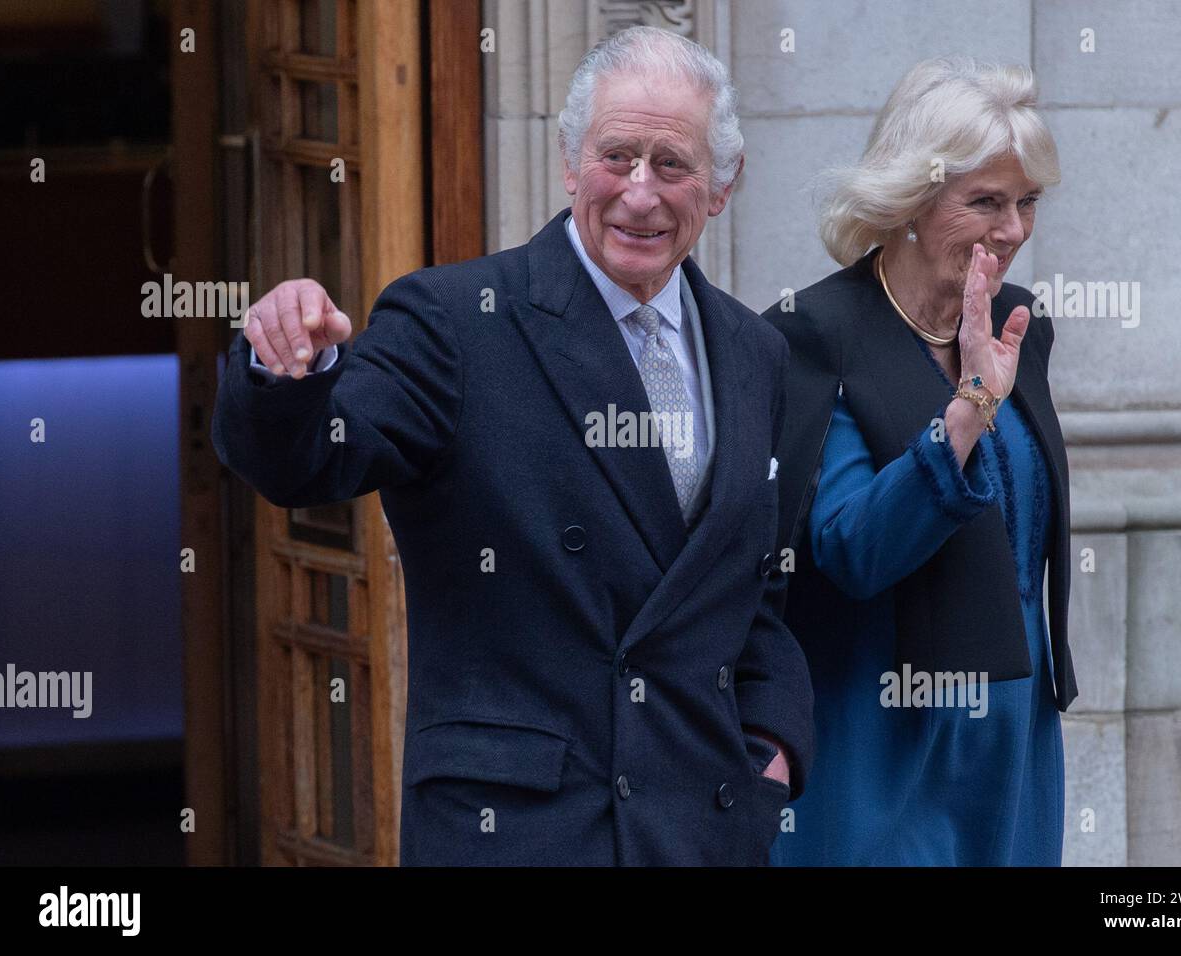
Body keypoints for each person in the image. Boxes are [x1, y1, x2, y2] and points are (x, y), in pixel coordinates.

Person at [212, 25, 813, 866]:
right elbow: (306, 462)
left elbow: (759, 595)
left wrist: (771, 751)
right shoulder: (457, 322)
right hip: (521, 832)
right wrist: (283, 373)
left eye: (672, 164)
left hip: (699, 830)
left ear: (720, 185)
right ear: (570, 166)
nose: (640, 193)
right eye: (617, 157)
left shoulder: (756, 355)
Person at [765, 56, 1077, 865]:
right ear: (908, 201)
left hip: (1012, 726)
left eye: (1026, 203)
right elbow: (852, 550)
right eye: (984, 202)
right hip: (885, 732)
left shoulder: (1018, 325)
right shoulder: (816, 333)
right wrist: (969, 410)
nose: (1011, 230)